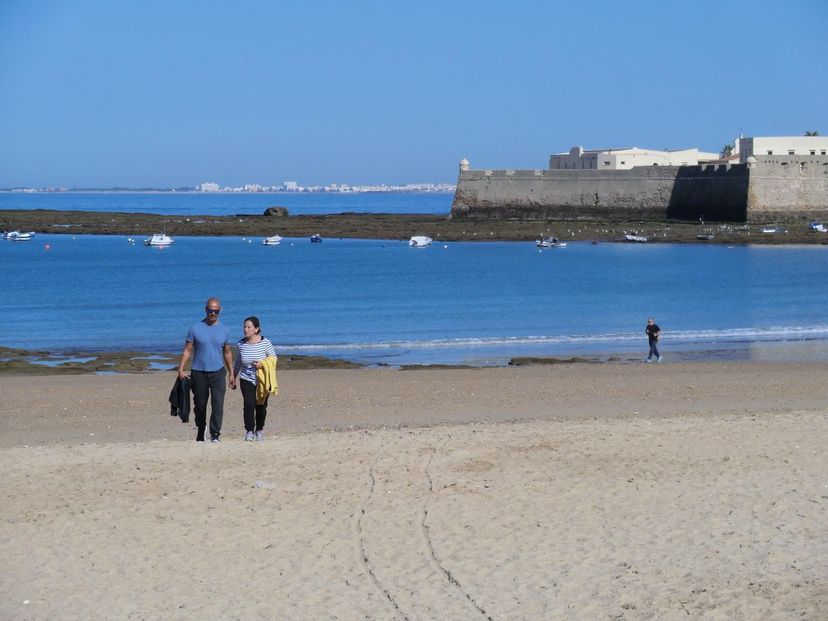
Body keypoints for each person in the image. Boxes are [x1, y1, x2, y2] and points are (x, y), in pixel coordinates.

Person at [177, 297, 234, 442]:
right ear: (205, 310)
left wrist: (232, 373)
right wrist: (181, 369)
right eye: (210, 310)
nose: (213, 313)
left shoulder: (225, 330)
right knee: (200, 405)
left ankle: (215, 434)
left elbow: (227, 352)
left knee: (217, 405)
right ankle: (201, 428)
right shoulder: (195, 328)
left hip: (218, 372)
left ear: (220, 311)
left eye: (215, 311)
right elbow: (187, 350)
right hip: (198, 372)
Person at [230, 316, 277, 442]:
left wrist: (263, 364)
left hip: (262, 380)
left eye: (249, 327)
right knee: (249, 404)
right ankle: (249, 431)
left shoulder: (265, 342)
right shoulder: (241, 344)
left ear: (256, 329)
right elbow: (238, 361)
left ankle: (260, 430)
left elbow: (273, 358)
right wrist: (233, 376)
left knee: (261, 406)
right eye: (244, 327)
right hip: (246, 379)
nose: (245, 329)